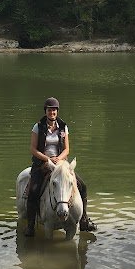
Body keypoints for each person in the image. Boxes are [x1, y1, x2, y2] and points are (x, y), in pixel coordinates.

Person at [24, 97, 96, 237]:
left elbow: (67, 149)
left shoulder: (63, 127)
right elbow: (33, 149)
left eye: (54, 110)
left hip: (61, 163)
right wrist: (47, 159)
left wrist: (59, 159)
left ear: (57, 112)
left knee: (82, 186)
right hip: (42, 163)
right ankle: (30, 226)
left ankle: (84, 220)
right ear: (45, 111)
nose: (52, 112)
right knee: (33, 191)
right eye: (50, 110)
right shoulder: (37, 127)